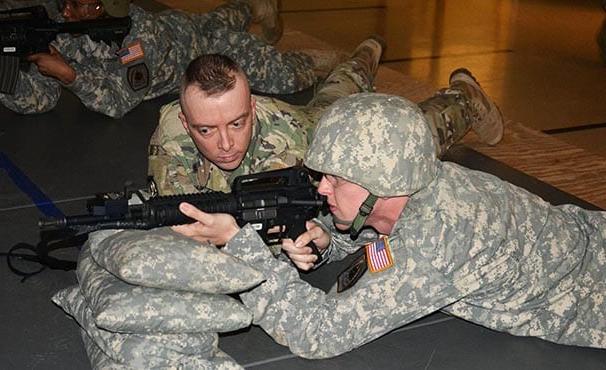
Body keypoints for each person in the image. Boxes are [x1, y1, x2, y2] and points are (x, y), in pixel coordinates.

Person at [171, 92, 606, 358]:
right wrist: (332, 239)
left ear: (382, 185)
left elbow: (317, 333)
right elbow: (379, 235)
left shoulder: (435, 241)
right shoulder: (423, 183)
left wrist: (238, 243)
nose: (321, 189)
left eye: (335, 179)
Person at [148, 39, 503, 196]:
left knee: (404, 139)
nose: (225, 144)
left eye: (238, 123)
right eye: (206, 129)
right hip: (307, 115)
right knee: (333, 96)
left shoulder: (285, 149)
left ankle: (464, 98)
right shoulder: (170, 129)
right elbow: (174, 203)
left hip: (317, 136)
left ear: (252, 107)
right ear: (184, 120)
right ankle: (364, 56)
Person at [0, 0, 317, 118]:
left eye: (76, 5)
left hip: (202, 49)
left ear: (102, 9)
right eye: (65, 3)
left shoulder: (141, 41)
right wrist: (7, 74)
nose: (65, 11)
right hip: (183, 25)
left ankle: (324, 60)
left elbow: (119, 101)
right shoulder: (62, 24)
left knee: (286, 79)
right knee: (210, 19)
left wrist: (70, 75)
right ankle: (247, 5)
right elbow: (42, 99)